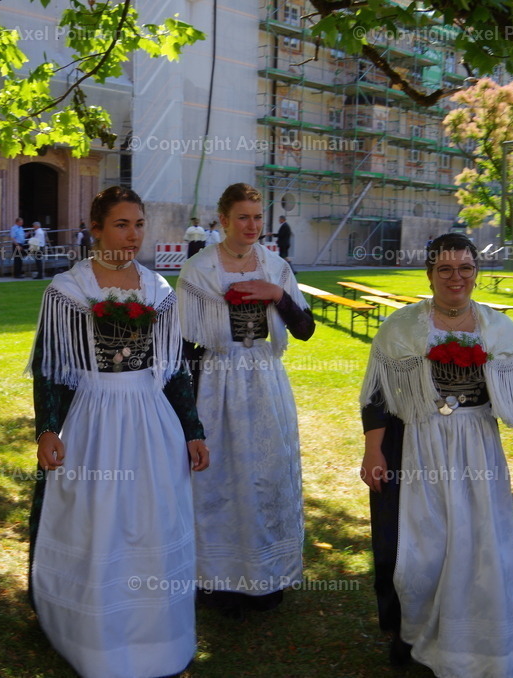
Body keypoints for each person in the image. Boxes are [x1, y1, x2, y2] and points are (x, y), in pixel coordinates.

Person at [28, 186, 210, 678]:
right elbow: (50, 368)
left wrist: (193, 430)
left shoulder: (159, 291)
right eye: (122, 225)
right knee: (99, 521)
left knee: (152, 519)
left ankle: (157, 634)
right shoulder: (68, 292)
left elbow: (175, 369)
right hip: (94, 417)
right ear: (97, 229)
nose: (132, 236)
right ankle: (93, 636)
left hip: (151, 420)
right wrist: (47, 429)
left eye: (139, 225)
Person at [359, 232, 513, 676]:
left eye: (465, 268)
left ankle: (472, 641)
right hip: (417, 445)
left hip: (476, 448)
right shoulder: (401, 328)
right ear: (429, 274)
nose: (456, 277)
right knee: (421, 546)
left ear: (476, 273)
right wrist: (374, 451)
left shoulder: (501, 329)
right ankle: (410, 636)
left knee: (479, 544)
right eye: (444, 269)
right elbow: (377, 397)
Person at [176, 182, 315, 617]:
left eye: (257, 217)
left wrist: (276, 294)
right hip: (217, 385)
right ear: (223, 220)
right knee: (221, 481)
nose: (252, 225)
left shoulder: (276, 266)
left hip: (266, 383)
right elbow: (184, 346)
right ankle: (217, 580)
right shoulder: (199, 271)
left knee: (268, 476)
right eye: (243, 217)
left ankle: (268, 577)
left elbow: (306, 329)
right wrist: (191, 414)